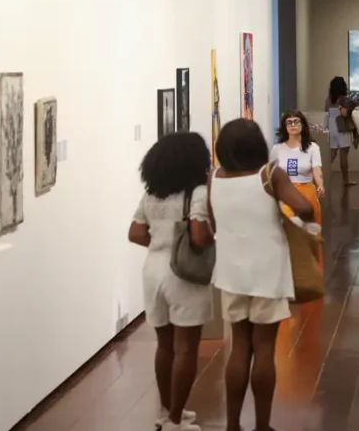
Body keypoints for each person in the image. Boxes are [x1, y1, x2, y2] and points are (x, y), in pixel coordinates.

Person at [207, 119, 315, 431]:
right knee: (264, 348)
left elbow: (213, 223)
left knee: (240, 345)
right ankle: (262, 426)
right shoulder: (270, 175)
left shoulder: (214, 178)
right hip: (268, 272)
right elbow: (305, 208)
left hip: (231, 273)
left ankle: (232, 425)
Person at [128, 132, 213, 431]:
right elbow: (199, 237)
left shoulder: (152, 194)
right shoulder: (197, 193)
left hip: (152, 269)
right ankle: (175, 420)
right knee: (186, 348)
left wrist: (162, 242)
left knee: (164, 346)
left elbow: (135, 233)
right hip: (184, 274)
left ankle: (166, 413)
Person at [271, 110, 325, 225]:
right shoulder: (277, 149)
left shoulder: (312, 147)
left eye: (296, 121)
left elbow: (316, 169)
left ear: (303, 125)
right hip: (285, 192)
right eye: (289, 122)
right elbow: (271, 172)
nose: (293, 125)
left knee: (311, 225)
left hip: (306, 191)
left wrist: (320, 185)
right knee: (288, 221)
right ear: (285, 127)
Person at [325, 77, 357, 186]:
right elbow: (345, 114)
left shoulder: (328, 100)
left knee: (331, 154)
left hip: (331, 128)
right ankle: (346, 180)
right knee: (343, 155)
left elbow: (326, 114)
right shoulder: (344, 99)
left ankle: (320, 176)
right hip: (342, 129)